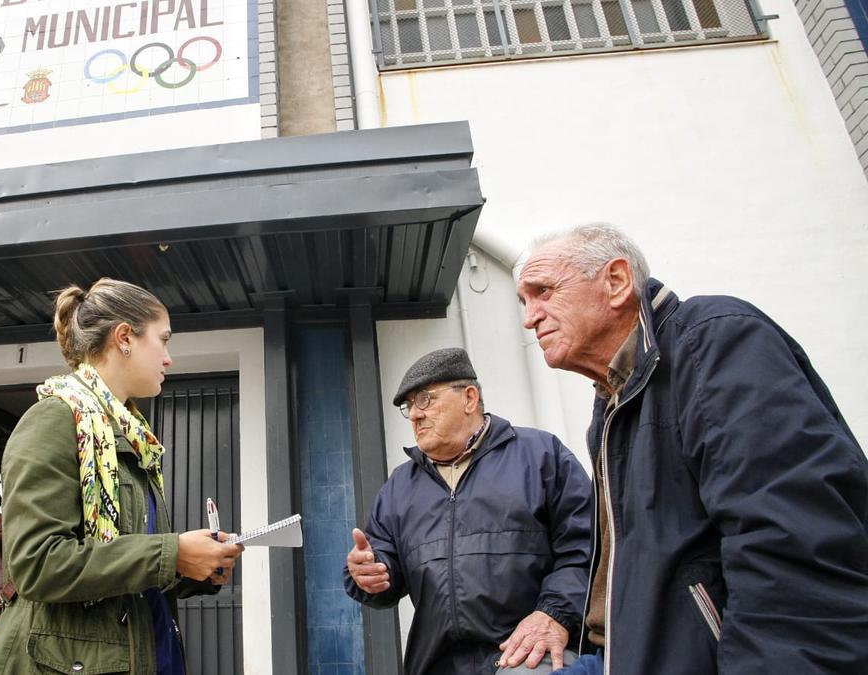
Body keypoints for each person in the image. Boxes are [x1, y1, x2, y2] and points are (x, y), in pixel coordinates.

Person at [516, 224, 868, 674]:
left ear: (617, 281)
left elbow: (795, 551)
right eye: (525, 302)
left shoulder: (712, 342)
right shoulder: (612, 403)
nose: (530, 317)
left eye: (543, 291)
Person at [0, 278, 243, 674]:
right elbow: (38, 563)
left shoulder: (133, 438)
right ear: (124, 338)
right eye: (164, 340)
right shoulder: (55, 419)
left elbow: (121, 567)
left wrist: (193, 569)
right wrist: (171, 554)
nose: (169, 358)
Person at [344, 348, 593, 674]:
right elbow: (383, 566)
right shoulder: (400, 487)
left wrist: (555, 613)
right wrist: (367, 574)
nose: (416, 415)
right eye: (409, 407)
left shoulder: (541, 456)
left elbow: (588, 548)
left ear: (470, 398)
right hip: (437, 663)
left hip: (530, 653)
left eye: (425, 400)